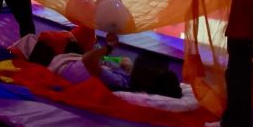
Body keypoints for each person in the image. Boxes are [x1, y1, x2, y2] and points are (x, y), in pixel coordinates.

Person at [11, 27, 182, 98]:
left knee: (31, 40)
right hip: (74, 57)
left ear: (147, 85)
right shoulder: (128, 75)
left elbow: (89, 60)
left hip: (59, 61)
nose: (147, 68)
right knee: (82, 32)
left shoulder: (119, 83)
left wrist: (108, 48)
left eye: (151, 72)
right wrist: (113, 58)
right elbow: (100, 61)